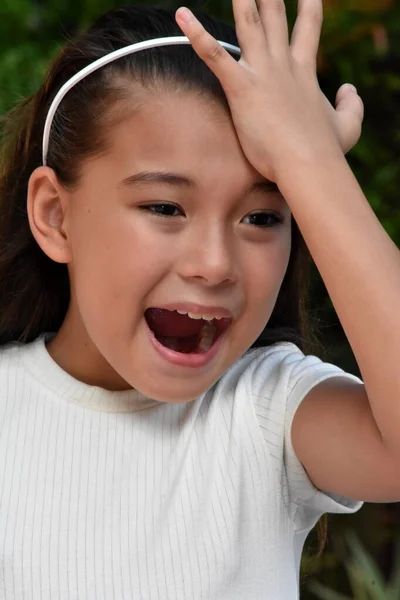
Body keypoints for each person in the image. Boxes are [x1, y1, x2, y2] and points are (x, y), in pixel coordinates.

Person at [0, 0, 399, 598]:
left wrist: (309, 161)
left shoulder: (266, 413)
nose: (214, 265)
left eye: (263, 216)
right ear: (56, 216)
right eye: (165, 208)